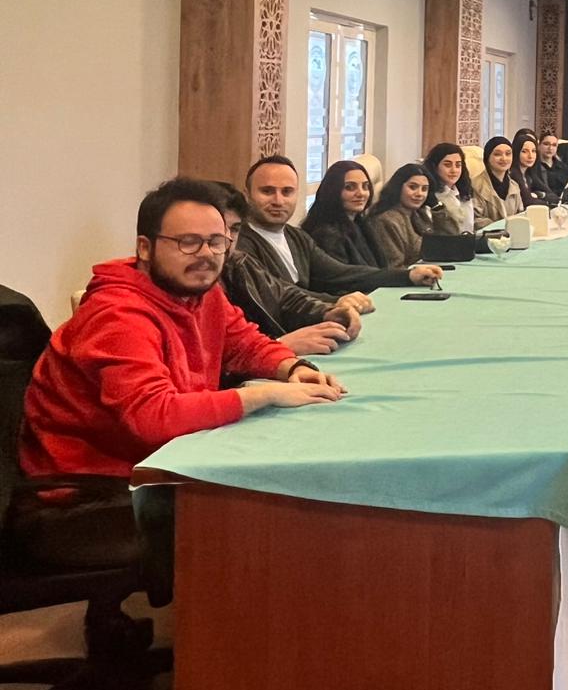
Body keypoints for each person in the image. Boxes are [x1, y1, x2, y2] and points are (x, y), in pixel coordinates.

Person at [20, 178, 347, 480]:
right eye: (188, 242)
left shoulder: (202, 291)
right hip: (93, 482)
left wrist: (293, 367)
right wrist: (265, 394)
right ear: (145, 248)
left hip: (168, 455)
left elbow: (243, 343)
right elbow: (153, 417)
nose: (206, 255)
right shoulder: (118, 315)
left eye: (216, 242)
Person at [233, 156, 441, 296]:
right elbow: (282, 297)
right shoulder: (239, 245)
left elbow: (342, 273)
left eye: (287, 192)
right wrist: (337, 304)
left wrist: (409, 276)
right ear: (247, 195)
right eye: (267, 191)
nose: (278, 201)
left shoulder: (296, 237)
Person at [215, 182, 359, 357]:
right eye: (267, 190)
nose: (227, 239)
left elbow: (284, 298)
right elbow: (207, 362)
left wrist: (328, 312)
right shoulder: (192, 284)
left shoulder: (238, 262)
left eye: (234, 229)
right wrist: (280, 345)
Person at [300, 159, 387, 268]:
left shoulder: (361, 224)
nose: (361, 193)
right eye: (349, 187)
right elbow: (345, 277)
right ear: (333, 191)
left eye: (365, 186)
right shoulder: (327, 235)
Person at [368, 165, 444, 268]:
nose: (419, 194)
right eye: (413, 187)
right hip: (407, 276)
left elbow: (444, 243)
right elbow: (394, 267)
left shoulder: (419, 214)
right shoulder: (386, 221)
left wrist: (436, 206)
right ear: (398, 188)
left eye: (424, 189)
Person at [423, 142, 475, 234]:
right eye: (447, 165)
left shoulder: (464, 192)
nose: (454, 170)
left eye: (458, 165)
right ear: (435, 167)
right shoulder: (430, 196)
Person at [473, 136, 524, 224]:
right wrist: (501, 227)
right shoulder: (475, 185)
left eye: (508, 154)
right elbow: (475, 220)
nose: (504, 158)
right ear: (487, 157)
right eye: (497, 154)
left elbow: (520, 214)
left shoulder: (514, 186)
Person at [525, 131, 568, 202]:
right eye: (546, 144)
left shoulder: (563, 167)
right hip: (541, 203)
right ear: (539, 146)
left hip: (563, 203)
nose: (550, 148)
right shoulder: (532, 167)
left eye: (554, 145)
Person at [510, 129, 541, 205]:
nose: (530, 156)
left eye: (533, 151)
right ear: (516, 152)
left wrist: (540, 195)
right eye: (524, 151)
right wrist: (548, 203)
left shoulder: (528, 173)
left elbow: (549, 192)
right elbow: (528, 201)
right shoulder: (513, 173)